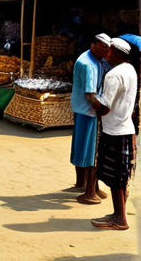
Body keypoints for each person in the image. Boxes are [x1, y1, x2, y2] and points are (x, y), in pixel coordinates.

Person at [91, 38, 138, 230]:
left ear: (117, 52)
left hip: (114, 131)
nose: (105, 51)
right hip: (126, 128)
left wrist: (91, 97)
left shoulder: (113, 75)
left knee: (115, 178)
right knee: (121, 176)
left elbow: (103, 108)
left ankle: (119, 219)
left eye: (109, 49)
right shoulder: (130, 69)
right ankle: (118, 213)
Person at [69, 33, 111, 205]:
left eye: (107, 50)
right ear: (93, 45)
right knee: (91, 152)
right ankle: (89, 190)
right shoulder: (89, 66)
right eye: (103, 49)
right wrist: (101, 110)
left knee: (81, 147)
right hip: (88, 112)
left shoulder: (93, 59)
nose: (106, 53)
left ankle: (83, 183)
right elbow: (90, 95)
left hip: (81, 110)